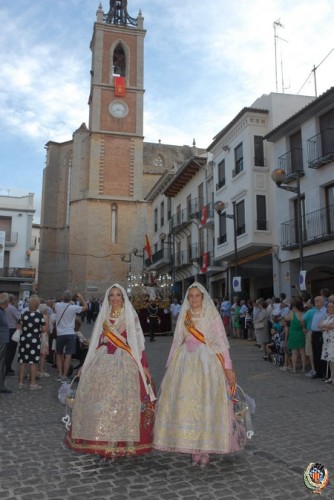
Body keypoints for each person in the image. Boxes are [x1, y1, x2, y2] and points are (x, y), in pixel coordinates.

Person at [153, 282, 247, 467]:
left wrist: (228, 368)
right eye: (191, 296)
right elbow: (177, 339)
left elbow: (221, 343)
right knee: (186, 405)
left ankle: (204, 447)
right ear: (188, 299)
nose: (194, 299)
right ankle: (190, 444)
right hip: (185, 362)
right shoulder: (184, 315)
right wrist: (171, 361)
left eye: (197, 296)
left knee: (206, 404)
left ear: (203, 298)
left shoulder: (211, 315)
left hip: (207, 362)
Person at [65, 283, 155, 459]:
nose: (114, 298)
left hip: (126, 361)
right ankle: (102, 440)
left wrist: (144, 366)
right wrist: (86, 364)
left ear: (123, 298)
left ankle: (122, 441)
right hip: (103, 359)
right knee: (102, 402)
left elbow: (138, 344)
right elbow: (97, 342)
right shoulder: (104, 316)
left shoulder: (131, 316)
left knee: (122, 402)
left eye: (118, 295)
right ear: (108, 299)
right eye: (111, 295)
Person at [55, 290, 88, 382]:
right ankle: (65, 375)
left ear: (62, 297)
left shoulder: (57, 306)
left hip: (60, 334)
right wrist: (80, 297)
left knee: (59, 354)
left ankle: (60, 374)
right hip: (70, 333)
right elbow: (86, 307)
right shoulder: (73, 307)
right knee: (68, 355)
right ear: (70, 298)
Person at [18, 295, 47, 390]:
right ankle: (33, 383)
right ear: (37, 305)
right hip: (34, 340)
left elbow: (20, 326)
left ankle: (21, 383)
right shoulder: (39, 315)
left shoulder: (24, 314)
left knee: (23, 361)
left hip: (24, 339)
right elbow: (44, 329)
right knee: (33, 362)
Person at [284, 298, 306, 374]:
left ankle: (294, 368)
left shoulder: (292, 315)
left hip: (293, 335)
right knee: (302, 352)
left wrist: (289, 312)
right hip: (301, 334)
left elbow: (285, 317)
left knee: (294, 353)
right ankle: (303, 368)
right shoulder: (303, 314)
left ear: (295, 307)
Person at [311, 296, 327, 379]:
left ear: (322, 302)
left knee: (320, 352)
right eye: (314, 301)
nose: (315, 302)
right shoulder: (316, 311)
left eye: (317, 301)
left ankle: (323, 372)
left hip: (320, 333)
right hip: (314, 333)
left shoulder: (325, 311)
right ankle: (318, 372)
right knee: (315, 353)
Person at [5, 294, 21, 376]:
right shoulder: (12, 308)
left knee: (5, 350)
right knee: (11, 351)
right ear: (12, 300)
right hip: (11, 330)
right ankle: (8, 368)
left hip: (4, 330)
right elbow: (20, 318)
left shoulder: (4, 307)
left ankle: (4, 367)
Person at [319, 301, 334, 383]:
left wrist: (325, 326)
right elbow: (319, 325)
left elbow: (332, 326)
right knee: (330, 360)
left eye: (331, 307)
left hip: (332, 340)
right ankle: (332, 377)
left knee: (333, 358)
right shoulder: (326, 316)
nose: (329, 308)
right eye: (328, 307)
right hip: (327, 341)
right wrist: (327, 327)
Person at [0, 293, 12, 394]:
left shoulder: (2, 311)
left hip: (3, 340)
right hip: (1, 341)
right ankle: (1, 386)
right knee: (1, 363)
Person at [303, 298, 317, 378]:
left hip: (310, 332)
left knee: (310, 351)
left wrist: (303, 328)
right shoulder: (319, 311)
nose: (307, 304)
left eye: (308, 303)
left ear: (311, 304)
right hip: (319, 332)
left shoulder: (309, 311)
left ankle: (313, 369)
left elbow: (302, 319)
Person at [37, 303, 50, 378]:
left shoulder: (37, 316)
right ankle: (41, 371)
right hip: (44, 337)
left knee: (37, 354)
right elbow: (47, 329)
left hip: (37, 336)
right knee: (43, 355)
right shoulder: (45, 317)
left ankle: (36, 370)